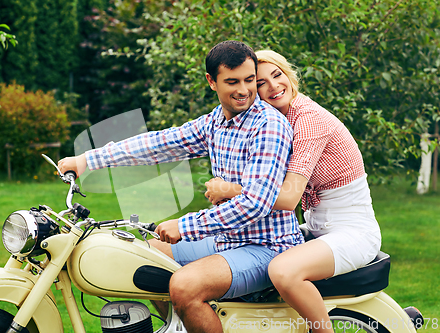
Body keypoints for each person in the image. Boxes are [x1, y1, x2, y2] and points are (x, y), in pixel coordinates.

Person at [58, 41, 304, 333]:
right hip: (226, 239)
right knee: (144, 257)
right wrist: (89, 159)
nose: (244, 90)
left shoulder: (268, 126)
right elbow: (160, 144)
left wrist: (186, 226)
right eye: (232, 82)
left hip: (266, 247)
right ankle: (180, 327)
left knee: (185, 286)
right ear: (211, 82)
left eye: (250, 80)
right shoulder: (216, 122)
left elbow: (255, 203)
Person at [204, 49, 381, 333]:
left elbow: (287, 198)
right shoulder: (276, 120)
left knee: (283, 271)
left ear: (289, 75)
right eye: (261, 82)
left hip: (353, 231)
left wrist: (231, 189)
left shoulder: (309, 120)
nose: (273, 86)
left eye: (278, 75)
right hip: (317, 226)